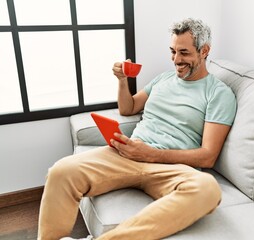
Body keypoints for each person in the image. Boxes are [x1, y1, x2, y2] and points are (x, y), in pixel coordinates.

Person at [38, 18, 237, 240]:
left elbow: (208, 157)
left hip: (170, 167)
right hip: (128, 153)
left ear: (204, 51)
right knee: (61, 171)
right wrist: (122, 80)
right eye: (172, 51)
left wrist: (152, 155)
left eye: (184, 53)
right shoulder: (163, 79)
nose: (176, 60)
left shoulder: (219, 94)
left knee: (207, 189)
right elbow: (128, 108)